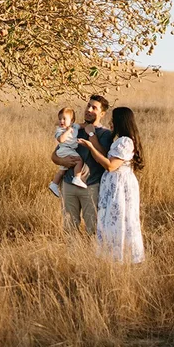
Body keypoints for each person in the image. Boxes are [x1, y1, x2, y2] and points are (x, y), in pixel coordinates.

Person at [78, 106, 145, 263]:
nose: (111, 122)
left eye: (113, 119)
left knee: (120, 220)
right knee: (112, 221)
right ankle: (114, 256)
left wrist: (90, 147)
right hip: (114, 186)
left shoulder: (126, 142)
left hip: (120, 188)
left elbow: (110, 166)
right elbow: (105, 155)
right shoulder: (120, 140)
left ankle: (122, 258)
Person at [51, 95, 113, 235]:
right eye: (88, 106)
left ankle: (91, 256)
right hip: (68, 184)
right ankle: (72, 256)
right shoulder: (74, 129)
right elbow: (55, 155)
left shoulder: (105, 134)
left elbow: (103, 157)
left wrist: (91, 134)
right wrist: (63, 162)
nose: (88, 110)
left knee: (93, 227)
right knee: (69, 227)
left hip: (91, 186)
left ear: (102, 114)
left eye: (94, 108)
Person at [49, 107, 88, 198]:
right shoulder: (60, 130)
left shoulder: (75, 126)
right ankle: (77, 177)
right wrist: (67, 131)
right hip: (65, 149)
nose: (61, 121)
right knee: (79, 160)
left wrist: (89, 127)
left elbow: (82, 125)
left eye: (64, 119)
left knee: (62, 170)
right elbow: (61, 140)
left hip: (69, 150)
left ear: (72, 121)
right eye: (60, 119)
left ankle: (54, 184)